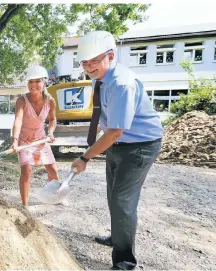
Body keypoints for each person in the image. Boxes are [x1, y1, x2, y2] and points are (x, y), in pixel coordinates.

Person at [71, 31, 163, 270]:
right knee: (114, 195)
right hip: (118, 144)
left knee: (123, 200)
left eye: (93, 61)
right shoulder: (99, 77)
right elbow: (103, 118)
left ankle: (125, 262)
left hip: (140, 145)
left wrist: (85, 157)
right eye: (84, 62)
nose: (88, 67)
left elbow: (115, 132)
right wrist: (93, 144)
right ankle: (118, 237)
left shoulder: (121, 83)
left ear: (110, 56)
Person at [11, 65, 58, 207]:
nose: (33, 85)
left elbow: (53, 120)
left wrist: (50, 133)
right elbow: (18, 120)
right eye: (30, 81)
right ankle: (25, 205)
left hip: (41, 139)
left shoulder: (50, 101)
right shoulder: (21, 100)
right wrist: (14, 141)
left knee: (52, 170)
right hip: (24, 141)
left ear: (44, 83)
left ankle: (57, 197)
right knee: (27, 170)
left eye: (37, 81)